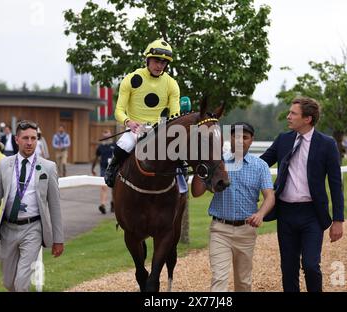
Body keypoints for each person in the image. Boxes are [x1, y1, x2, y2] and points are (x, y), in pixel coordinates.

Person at [260, 97, 344, 292]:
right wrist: (233, 160)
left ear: (308, 119)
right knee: (288, 268)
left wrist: (338, 219)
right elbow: (261, 163)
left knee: (311, 265)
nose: (288, 116)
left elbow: (335, 184)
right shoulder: (283, 139)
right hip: (285, 213)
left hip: (312, 214)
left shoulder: (327, 144)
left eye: (293, 114)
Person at [0, 120, 64, 292]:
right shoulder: (5, 164)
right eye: (25, 138)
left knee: (21, 283)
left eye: (34, 138)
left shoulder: (48, 167)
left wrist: (58, 239)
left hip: (33, 229)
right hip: (7, 229)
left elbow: (55, 206)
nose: (30, 142)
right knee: (9, 283)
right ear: (17, 139)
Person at [192, 122, 275, 292]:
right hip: (219, 230)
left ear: (251, 140)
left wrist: (260, 214)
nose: (240, 141)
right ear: (230, 138)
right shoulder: (217, 162)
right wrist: (201, 167)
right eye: (236, 136)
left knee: (243, 282)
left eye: (244, 137)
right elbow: (197, 192)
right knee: (219, 279)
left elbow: (270, 197)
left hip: (246, 231)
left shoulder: (260, 167)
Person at [105, 38, 180, 187]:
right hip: (135, 129)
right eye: (156, 61)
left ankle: (180, 181)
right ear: (147, 59)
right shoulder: (131, 79)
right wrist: (129, 122)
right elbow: (119, 111)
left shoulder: (171, 83)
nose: (160, 66)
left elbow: (175, 114)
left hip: (159, 130)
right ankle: (112, 169)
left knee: (178, 151)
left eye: (163, 63)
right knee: (124, 145)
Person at [92, 129, 115, 214]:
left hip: (113, 168)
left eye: (108, 137)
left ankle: (113, 203)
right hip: (103, 168)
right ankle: (103, 205)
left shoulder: (115, 145)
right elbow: (96, 158)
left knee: (114, 187)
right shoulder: (100, 147)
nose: (106, 138)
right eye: (105, 137)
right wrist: (93, 168)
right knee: (103, 186)